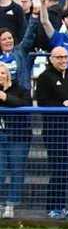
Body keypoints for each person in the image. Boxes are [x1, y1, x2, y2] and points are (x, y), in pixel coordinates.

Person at [35, 47, 68, 218]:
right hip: (55, 132)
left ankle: (61, 206)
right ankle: (52, 207)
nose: (63, 60)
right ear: (51, 59)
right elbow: (42, 102)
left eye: (66, 57)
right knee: (57, 171)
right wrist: (62, 104)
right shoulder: (45, 78)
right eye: (59, 57)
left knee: (65, 172)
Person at [0, 63, 32, 218]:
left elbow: (25, 105)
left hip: (19, 137)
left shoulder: (22, 90)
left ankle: (12, 203)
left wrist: (5, 97)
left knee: (16, 170)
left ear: (8, 74)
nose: (0, 76)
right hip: (1, 137)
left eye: (2, 73)